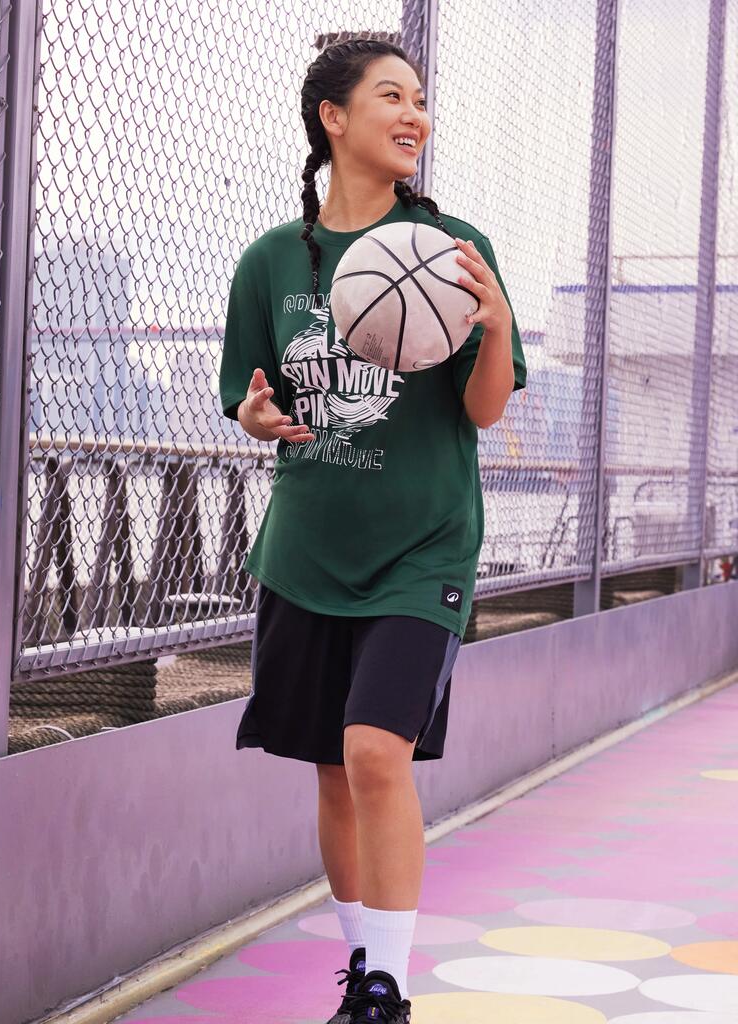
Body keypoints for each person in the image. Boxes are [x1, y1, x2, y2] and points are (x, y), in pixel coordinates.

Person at [217, 39, 527, 1024]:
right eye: (392, 96)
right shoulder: (271, 261)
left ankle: (388, 988)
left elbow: (483, 410)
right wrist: (256, 417)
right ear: (333, 117)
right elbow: (250, 399)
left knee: (375, 753)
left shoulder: (452, 247)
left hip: (423, 550)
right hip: (306, 552)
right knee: (332, 768)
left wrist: (496, 329)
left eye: (421, 100)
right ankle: (362, 969)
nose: (414, 116)